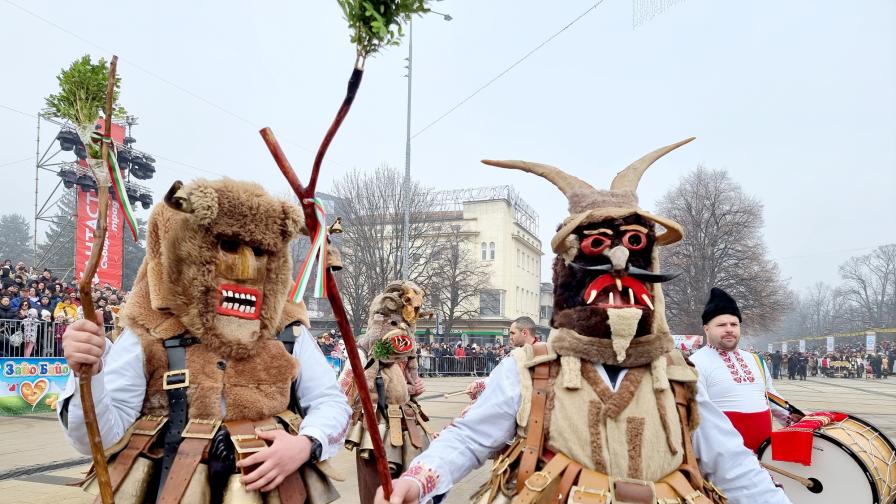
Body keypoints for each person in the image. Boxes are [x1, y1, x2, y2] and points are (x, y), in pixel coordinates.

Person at [376, 139, 788, 503]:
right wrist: (418, 480)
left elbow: (736, 469)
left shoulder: (678, 376)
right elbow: (469, 438)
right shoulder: (532, 369)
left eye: (631, 247)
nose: (619, 268)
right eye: (598, 251)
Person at [58, 179, 350, 503]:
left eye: (258, 251)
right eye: (227, 245)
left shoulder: (288, 332)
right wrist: (89, 373)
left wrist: (306, 444)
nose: (246, 267)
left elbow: (330, 402)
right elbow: (94, 439)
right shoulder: (149, 333)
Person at [339, 281, 431, 504]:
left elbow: (404, 386)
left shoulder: (407, 350)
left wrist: (413, 389)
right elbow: (344, 392)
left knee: (408, 489)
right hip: (375, 430)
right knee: (376, 490)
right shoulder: (363, 350)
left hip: (408, 427)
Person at [691, 288, 799, 453]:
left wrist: (797, 418)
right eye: (721, 325)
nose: (729, 329)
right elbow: (696, 417)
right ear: (707, 329)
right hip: (722, 459)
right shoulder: (695, 363)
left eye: (734, 324)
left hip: (764, 454)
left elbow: (771, 398)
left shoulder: (756, 360)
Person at [465, 316, 539, 400]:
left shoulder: (543, 356)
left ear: (524, 333)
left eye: (513, 333)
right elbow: (499, 378)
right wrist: (479, 385)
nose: (510, 337)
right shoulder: (516, 354)